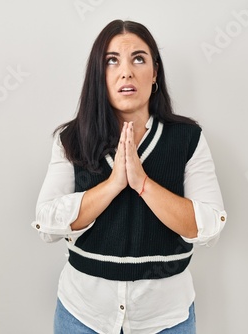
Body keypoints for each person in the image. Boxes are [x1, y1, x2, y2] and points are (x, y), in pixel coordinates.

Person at [32, 19, 227, 334]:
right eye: (112, 61)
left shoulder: (187, 138)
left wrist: (143, 184)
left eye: (139, 58)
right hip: (82, 317)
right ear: (100, 75)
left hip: (166, 320)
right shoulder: (71, 139)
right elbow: (46, 223)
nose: (126, 72)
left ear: (155, 73)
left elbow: (208, 226)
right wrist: (112, 186)